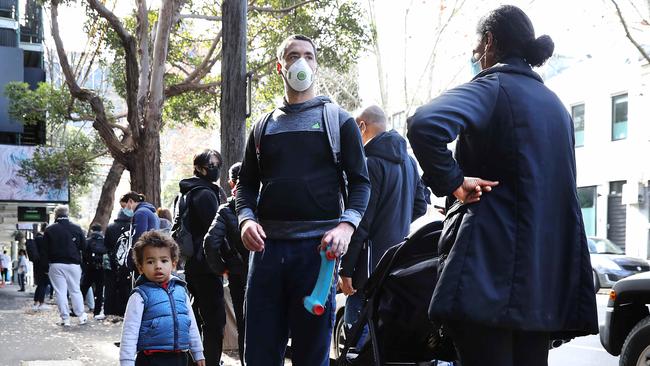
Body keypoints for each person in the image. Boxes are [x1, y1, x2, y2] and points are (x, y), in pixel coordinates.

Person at [406, 6, 598, 366]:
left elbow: (424, 123)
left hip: (486, 274)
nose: (476, 55)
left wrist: (454, 182)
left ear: (490, 42)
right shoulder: (557, 108)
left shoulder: (492, 87)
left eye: (477, 46)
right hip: (540, 284)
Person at [236, 34, 370, 366]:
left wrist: (346, 228)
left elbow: (361, 184)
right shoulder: (262, 127)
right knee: (259, 354)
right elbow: (246, 186)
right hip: (266, 253)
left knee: (312, 356)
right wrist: (246, 220)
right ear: (280, 67)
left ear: (316, 65)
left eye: (309, 56)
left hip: (317, 255)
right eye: (293, 56)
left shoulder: (338, 121)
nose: (302, 62)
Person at [339, 105, 429, 346]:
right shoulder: (409, 162)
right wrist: (394, 221)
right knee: (388, 341)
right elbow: (420, 205)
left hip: (367, 268)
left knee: (357, 340)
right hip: (398, 261)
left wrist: (345, 271)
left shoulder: (368, 164)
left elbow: (362, 221)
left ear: (362, 126)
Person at [120, 231, 205, 366]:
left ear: (173, 264)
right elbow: (130, 331)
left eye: (164, 260)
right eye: (150, 261)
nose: (158, 266)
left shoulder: (181, 291)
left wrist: (198, 352)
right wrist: (126, 361)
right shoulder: (140, 295)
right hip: (151, 359)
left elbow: (191, 324)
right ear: (141, 268)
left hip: (179, 358)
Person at [177, 149, 227, 366]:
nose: (215, 169)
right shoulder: (205, 193)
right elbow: (214, 232)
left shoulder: (187, 191)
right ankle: (211, 361)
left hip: (192, 263)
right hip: (206, 264)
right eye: (211, 165)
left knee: (197, 315)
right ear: (199, 167)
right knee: (214, 320)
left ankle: (194, 360)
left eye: (218, 164)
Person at [204, 162, 248, 363]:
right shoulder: (266, 205)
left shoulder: (225, 210)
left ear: (231, 182)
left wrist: (222, 268)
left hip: (238, 275)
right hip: (267, 273)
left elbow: (210, 242)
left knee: (243, 323)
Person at [42, 205, 88, 326]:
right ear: (67, 214)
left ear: (56, 215)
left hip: (56, 264)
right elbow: (84, 247)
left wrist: (45, 267)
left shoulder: (49, 230)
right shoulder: (77, 228)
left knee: (60, 292)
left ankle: (65, 319)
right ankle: (81, 316)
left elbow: (44, 251)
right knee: (75, 290)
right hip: (73, 264)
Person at [105, 202, 136, 317]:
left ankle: (110, 310)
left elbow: (106, 245)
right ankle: (125, 310)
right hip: (128, 260)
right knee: (126, 286)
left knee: (111, 286)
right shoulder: (132, 227)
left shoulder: (110, 227)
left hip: (113, 260)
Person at [81, 223, 108, 320]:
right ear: (101, 231)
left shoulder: (87, 241)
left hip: (89, 268)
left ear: (92, 230)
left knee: (83, 288)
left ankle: (79, 309)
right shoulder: (104, 241)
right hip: (101, 269)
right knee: (99, 291)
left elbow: (83, 255)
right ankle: (97, 312)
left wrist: (84, 267)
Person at [28, 223, 51, 310]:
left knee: (40, 283)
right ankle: (41, 303)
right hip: (43, 264)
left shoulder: (37, 238)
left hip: (37, 264)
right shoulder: (43, 239)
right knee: (43, 283)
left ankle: (36, 302)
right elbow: (45, 253)